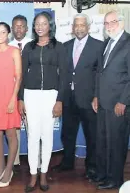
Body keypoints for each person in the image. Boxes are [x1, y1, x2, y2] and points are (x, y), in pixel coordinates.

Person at [18, 11, 67, 192]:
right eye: (37, 23)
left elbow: (64, 76)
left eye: (44, 23)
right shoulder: (29, 47)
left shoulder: (59, 47)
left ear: (50, 26)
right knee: (32, 137)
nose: (40, 26)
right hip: (30, 95)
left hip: (50, 96)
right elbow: (22, 75)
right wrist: (21, 98)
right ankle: (32, 175)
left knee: (47, 137)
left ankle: (44, 174)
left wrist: (59, 100)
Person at [51, 14, 102, 181]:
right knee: (68, 134)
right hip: (69, 99)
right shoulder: (66, 46)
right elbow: (64, 73)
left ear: (88, 26)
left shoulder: (98, 46)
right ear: (72, 27)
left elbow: (100, 75)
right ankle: (67, 163)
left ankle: (92, 167)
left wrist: (97, 96)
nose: (79, 28)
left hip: (88, 100)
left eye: (82, 25)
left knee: (91, 135)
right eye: (76, 25)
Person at [92, 11, 130, 190]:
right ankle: (103, 175)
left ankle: (115, 179)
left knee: (117, 143)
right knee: (103, 142)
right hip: (103, 103)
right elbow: (100, 73)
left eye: (113, 22)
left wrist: (123, 101)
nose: (109, 26)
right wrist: (96, 96)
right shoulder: (107, 43)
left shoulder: (128, 43)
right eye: (106, 23)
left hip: (118, 105)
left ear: (121, 22)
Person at [0, 22, 22, 188]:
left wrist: (12, 99)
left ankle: (9, 170)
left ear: (8, 34)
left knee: (10, 135)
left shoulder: (14, 51)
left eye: (2, 32)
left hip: (9, 97)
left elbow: (19, 77)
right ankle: (0, 170)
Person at [9, 15, 34, 169]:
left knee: (32, 128)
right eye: (15, 26)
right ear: (11, 29)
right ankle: (15, 162)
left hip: (30, 93)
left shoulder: (33, 46)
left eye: (21, 26)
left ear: (27, 28)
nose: (18, 29)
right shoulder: (7, 46)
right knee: (14, 129)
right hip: (11, 93)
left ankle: (35, 163)